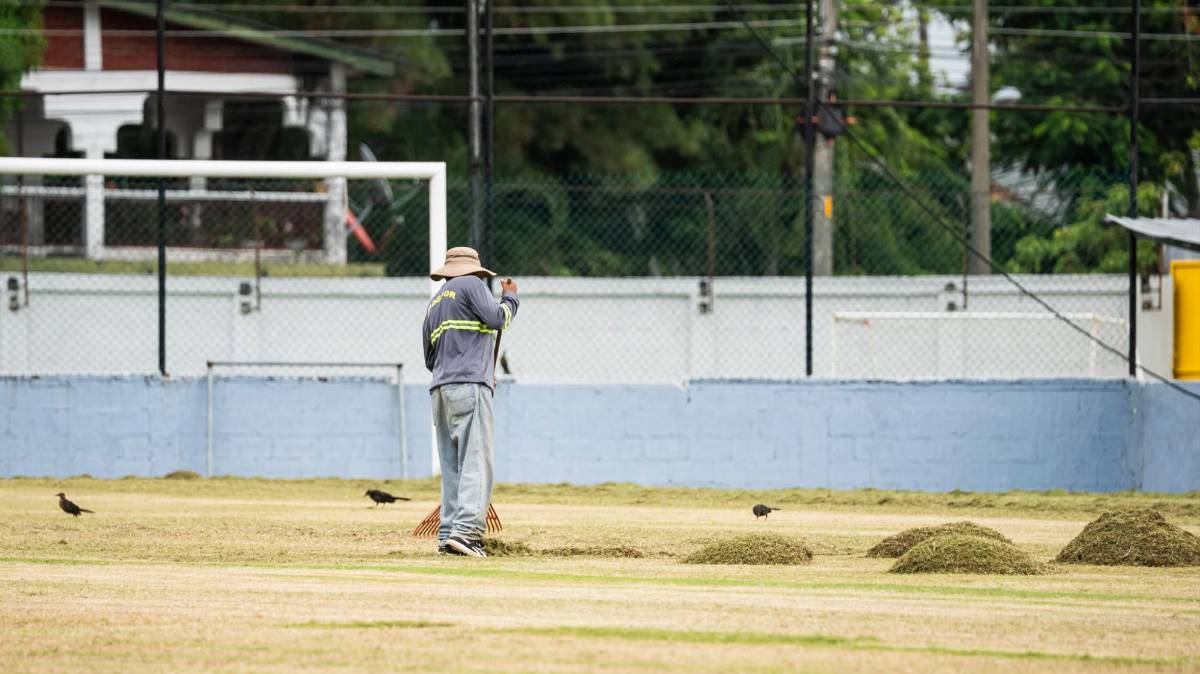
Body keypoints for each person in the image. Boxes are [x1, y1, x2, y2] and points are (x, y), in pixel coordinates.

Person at [422, 246, 519, 557]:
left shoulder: (435, 303)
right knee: (476, 461)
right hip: (470, 387)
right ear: (473, 269)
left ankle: (447, 534)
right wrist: (511, 299)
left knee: (452, 467)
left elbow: (429, 356)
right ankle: (466, 534)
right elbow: (496, 318)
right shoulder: (472, 285)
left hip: (440, 391)